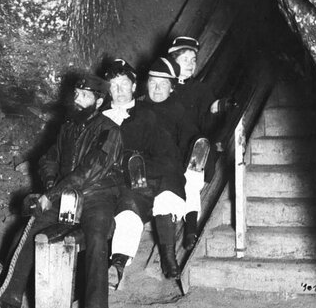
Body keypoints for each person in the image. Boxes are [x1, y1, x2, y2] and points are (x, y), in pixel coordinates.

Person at [0, 73, 123, 308]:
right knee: (30, 229)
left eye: (85, 96)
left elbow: (88, 171)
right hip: (64, 194)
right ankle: (9, 298)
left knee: (96, 240)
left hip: (97, 197)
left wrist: (51, 195)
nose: (78, 99)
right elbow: (49, 158)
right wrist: (51, 183)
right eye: (76, 94)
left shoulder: (109, 132)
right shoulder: (68, 127)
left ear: (99, 101)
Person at [98, 58, 184, 287]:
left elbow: (166, 153)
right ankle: (111, 265)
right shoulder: (99, 117)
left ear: (134, 86)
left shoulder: (147, 115)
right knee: (121, 207)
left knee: (145, 200)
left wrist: (144, 170)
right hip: (109, 181)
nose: (119, 91)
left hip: (142, 176)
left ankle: (157, 258)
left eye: (124, 84)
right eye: (113, 86)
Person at [167, 36, 237, 246]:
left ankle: (190, 230)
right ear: (172, 61)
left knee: (191, 177)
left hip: (191, 150)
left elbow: (208, 117)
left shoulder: (200, 89)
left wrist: (217, 107)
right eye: (185, 59)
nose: (190, 64)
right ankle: (186, 227)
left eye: (193, 59)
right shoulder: (160, 87)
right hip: (167, 150)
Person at [138, 56, 197, 278]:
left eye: (163, 84)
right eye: (153, 82)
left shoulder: (178, 110)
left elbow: (191, 138)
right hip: (141, 166)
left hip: (168, 167)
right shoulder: (138, 108)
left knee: (167, 196)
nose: (157, 88)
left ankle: (168, 256)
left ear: (172, 88)